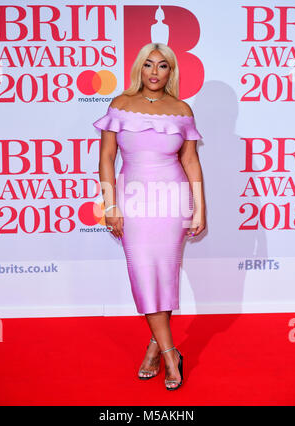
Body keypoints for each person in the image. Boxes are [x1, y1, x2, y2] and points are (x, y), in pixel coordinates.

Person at [93, 42, 206, 390]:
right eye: (148, 65)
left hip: (172, 199)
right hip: (134, 199)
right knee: (143, 274)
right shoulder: (120, 105)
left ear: (171, 72)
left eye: (163, 66)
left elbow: (190, 161)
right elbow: (107, 158)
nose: (154, 72)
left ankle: (157, 345)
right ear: (139, 69)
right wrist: (110, 205)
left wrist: (199, 206)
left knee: (164, 273)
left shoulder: (182, 109)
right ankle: (172, 352)